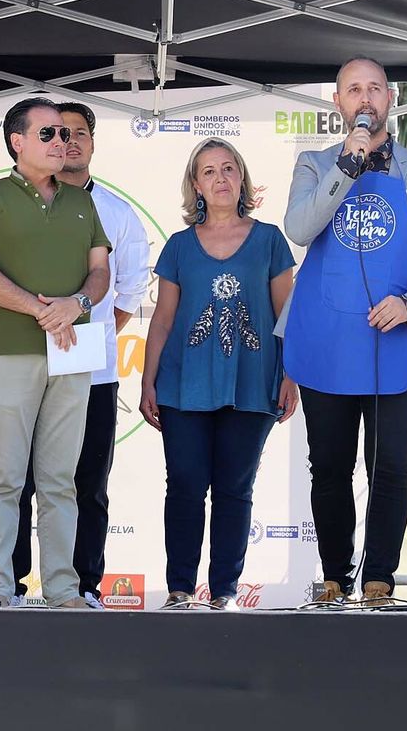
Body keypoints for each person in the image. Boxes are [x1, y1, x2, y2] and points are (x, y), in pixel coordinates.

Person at [280, 56, 407, 603]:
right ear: (337, 103)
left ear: (392, 98)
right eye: (353, 89)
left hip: (399, 342)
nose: (365, 99)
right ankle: (335, 574)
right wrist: (348, 165)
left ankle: (380, 578)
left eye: (375, 89)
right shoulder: (313, 165)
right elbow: (298, 228)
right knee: (329, 464)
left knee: (389, 465)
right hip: (328, 342)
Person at [0, 97, 111, 609]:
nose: (61, 142)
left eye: (65, 134)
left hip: (72, 353)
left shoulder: (83, 202)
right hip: (7, 354)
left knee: (60, 480)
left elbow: (101, 272)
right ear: (17, 143)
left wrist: (77, 303)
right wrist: (42, 310)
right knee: (4, 475)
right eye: (47, 134)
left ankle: (64, 589)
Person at [139, 138, 298, 610]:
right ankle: (180, 589)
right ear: (196, 185)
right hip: (183, 385)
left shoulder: (270, 239)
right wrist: (148, 381)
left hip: (252, 382)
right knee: (185, 484)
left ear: (242, 177)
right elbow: (163, 319)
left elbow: (286, 314)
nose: (221, 178)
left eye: (229, 168)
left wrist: (290, 376)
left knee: (235, 488)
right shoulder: (178, 246)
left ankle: (224, 592)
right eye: (208, 171)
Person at [11, 102, 149, 608]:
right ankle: (15, 582)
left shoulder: (116, 213)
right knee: (22, 478)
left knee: (87, 482)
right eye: (55, 132)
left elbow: (130, 293)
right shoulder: (13, 204)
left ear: (92, 143)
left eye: (78, 134)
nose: (67, 141)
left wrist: (82, 332)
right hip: (24, 362)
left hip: (92, 368)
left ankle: (85, 584)